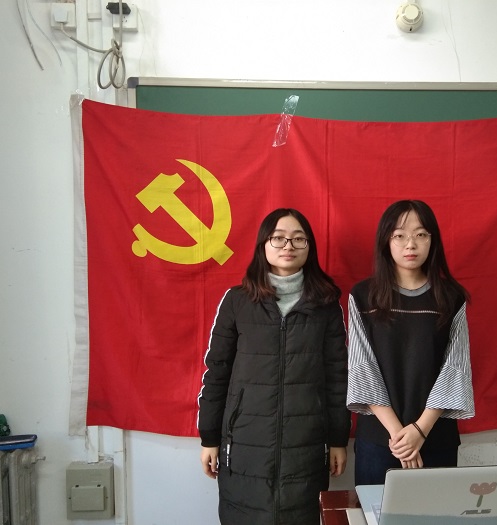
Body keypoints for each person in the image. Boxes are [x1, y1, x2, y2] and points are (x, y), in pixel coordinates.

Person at [197, 208, 351, 525]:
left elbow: (338, 378)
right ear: (263, 245)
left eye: (298, 239)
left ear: (309, 247)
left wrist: (339, 439)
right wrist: (209, 437)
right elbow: (217, 372)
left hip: (306, 444)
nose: (288, 246)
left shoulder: (325, 305)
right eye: (278, 238)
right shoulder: (237, 301)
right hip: (244, 444)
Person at [347, 199, 474, 486]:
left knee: (436, 510)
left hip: (435, 435)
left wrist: (419, 430)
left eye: (420, 234)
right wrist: (399, 436)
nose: (410, 244)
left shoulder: (451, 297)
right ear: (386, 240)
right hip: (380, 439)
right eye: (399, 235)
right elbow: (362, 367)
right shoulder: (363, 296)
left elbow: (455, 368)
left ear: (432, 240)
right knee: (376, 509)